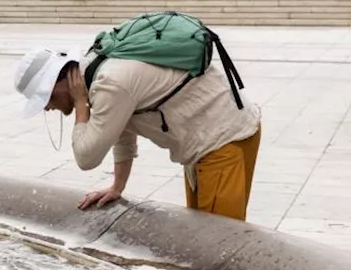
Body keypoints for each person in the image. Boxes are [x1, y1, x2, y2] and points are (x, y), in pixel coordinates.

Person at [13, 42, 262, 222]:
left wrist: (80, 106)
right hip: (206, 143)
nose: (47, 107)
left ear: (59, 81)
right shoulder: (98, 70)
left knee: (216, 247)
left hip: (223, 139)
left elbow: (86, 158)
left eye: (46, 97)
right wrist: (117, 187)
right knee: (201, 238)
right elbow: (120, 128)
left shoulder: (108, 83)